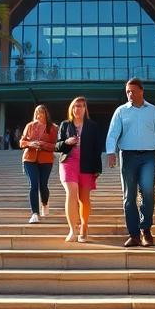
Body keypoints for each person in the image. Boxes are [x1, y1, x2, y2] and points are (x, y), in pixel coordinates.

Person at [105, 77, 155, 248]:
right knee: (129, 197)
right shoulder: (121, 111)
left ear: (142, 91)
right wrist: (111, 152)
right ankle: (133, 235)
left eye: (133, 91)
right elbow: (112, 133)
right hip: (128, 157)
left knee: (148, 192)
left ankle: (145, 230)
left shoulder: (153, 111)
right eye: (127, 91)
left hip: (148, 157)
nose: (130, 94)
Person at [55, 96, 103, 243]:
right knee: (71, 193)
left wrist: (98, 168)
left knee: (84, 199)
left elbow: (97, 149)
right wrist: (67, 142)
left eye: (81, 106)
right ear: (72, 108)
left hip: (87, 164)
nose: (78, 109)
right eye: (76, 106)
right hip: (68, 163)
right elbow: (57, 146)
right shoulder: (65, 125)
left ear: (85, 109)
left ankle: (84, 226)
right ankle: (72, 230)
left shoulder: (92, 126)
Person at [19, 104, 57, 223]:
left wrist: (42, 144)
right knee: (33, 185)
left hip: (46, 160)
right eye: (37, 112)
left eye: (41, 112)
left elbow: (56, 146)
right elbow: (22, 142)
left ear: (46, 114)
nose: (39, 114)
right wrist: (30, 144)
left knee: (43, 186)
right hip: (29, 159)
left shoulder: (53, 128)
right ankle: (35, 213)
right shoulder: (30, 126)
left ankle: (44, 202)